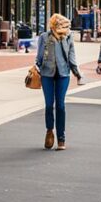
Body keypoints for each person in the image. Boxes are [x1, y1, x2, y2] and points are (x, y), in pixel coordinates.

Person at [35, 14, 81, 151]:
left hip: (63, 74)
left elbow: (71, 57)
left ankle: (61, 138)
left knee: (60, 105)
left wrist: (77, 73)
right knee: (49, 105)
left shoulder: (68, 37)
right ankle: (49, 131)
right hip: (46, 74)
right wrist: (35, 67)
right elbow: (39, 56)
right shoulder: (44, 37)